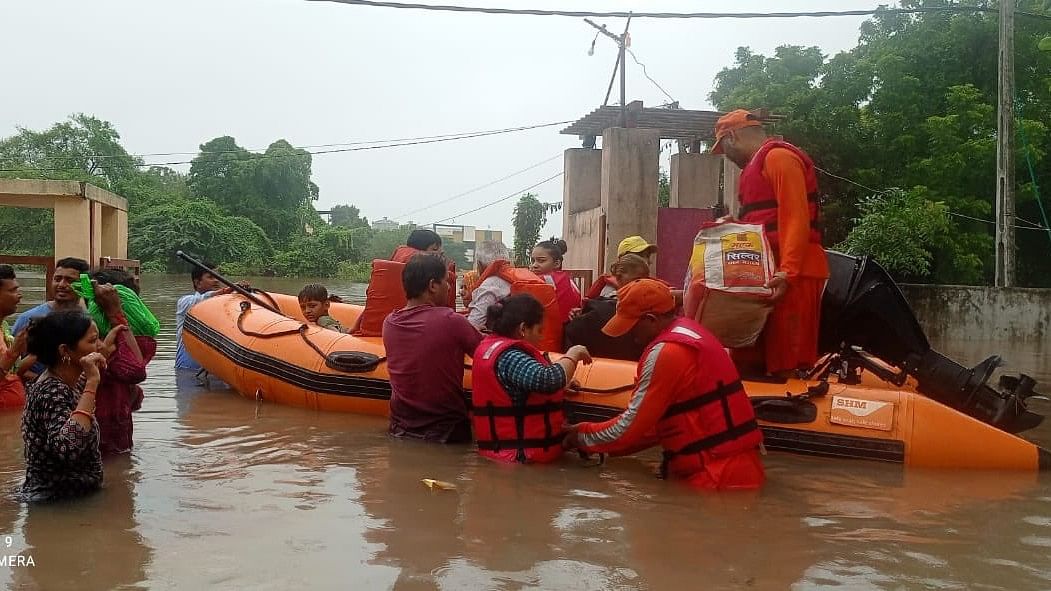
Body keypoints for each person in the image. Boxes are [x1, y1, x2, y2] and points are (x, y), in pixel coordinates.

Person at [563, 279, 764, 491]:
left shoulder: (666, 353)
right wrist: (601, 447)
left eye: (631, 325)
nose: (629, 334)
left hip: (714, 478)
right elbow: (653, 427)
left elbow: (628, 428)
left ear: (650, 319)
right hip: (738, 472)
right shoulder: (692, 332)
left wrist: (578, 436)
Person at [711, 109, 828, 375]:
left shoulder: (779, 158)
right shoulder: (757, 166)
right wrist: (737, 225)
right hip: (767, 275)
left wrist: (788, 272)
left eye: (724, 149)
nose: (727, 157)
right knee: (749, 361)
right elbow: (767, 220)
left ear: (731, 137)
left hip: (791, 276)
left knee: (785, 364)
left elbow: (795, 215)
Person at [472, 293, 591, 464]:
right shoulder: (511, 356)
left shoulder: (493, 348)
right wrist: (573, 353)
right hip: (520, 460)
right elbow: (548, 380)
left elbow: (514, 390)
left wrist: (562, 387)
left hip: (502, 457)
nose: (542, 337)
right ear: (523, 329)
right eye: (539, 330)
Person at [382, 254, 483, 443]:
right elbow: (489, 354)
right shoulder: (451, 321)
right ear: (433, 285)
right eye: (446, 281)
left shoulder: (390, 322)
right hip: (446, 430)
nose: (449, 286)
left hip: (400, 428)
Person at [22, 310, 107, 501]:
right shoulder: (52, 390)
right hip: (57, 501)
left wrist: (91, 376)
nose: (99, 346)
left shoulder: (69, 381)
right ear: (65, 351)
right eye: (92, 341)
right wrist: (93, 382)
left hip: (72, 498)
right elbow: (68, 449)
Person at [90, 269, 156, 456]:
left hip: (113, 446)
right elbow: (136, 370)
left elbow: (134, 394)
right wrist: (115, 313)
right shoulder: (93, 345)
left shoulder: (117, 347)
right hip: (97, 451)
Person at [466, 241, 561, 351]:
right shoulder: (528, 276)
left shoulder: (490, 285)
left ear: (479, 265)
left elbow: (472, 327)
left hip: (510, 350)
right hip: (546, 346)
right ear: (507, 261)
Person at [12, 257, 90, 379]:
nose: (62, 285)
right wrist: (49, 382)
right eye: (57, 279)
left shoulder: (89, 321)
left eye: (70, 280)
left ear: (84, 285)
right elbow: (11, 368)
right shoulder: (28, 318)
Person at [563, 254, 650, 361]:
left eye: (644, 279)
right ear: (618, 277)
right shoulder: (599, 307)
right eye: (637, 280)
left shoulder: (656, 302)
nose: (641, 283)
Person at [175, 263, 243, 371]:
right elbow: (205, 300)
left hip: (217, 371)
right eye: (211, 277)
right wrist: (226, 291)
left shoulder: (225, 305)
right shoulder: (185, 302)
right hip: (188, 369)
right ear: (197, 283)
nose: (216, 280)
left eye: (218, 277)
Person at [585, 236, 658, 299]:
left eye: (648, 256)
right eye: (642, 256)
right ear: (624, 259)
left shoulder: (654, 288)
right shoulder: (611, 293)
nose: (648, 261)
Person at [0, 265, 31, 408]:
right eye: (13, 290)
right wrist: (13, 353)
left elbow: (12, 371)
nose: (19, 295)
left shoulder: (4, 326)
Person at [530, 237, 582, 323]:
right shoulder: (566, 278)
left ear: (557, 263)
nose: (534, 265)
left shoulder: (550, 279)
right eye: (533, 261)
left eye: (541, 261)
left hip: (556, 331)